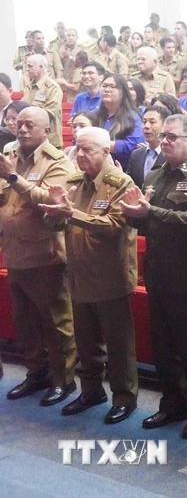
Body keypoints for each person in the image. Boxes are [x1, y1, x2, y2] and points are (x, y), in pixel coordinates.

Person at [120, 114, 187, 439]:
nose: (164, 141)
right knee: (163, 347)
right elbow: (148, 224)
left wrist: (153, 213)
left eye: (172, 137)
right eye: (162, 136)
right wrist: (134, 216)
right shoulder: (154, 175)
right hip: (159, 274)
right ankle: (172, 403)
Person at [38, 127, 139, 424]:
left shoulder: (120, 183)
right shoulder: (73, 181)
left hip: (110, 275)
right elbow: (56, 225)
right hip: (79, 273)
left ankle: (125, 397)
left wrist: (71, 214)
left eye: (88, 150)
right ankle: (91, 390)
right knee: (86, 341)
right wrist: (54, 213)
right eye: (77, 149)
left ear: (106, 151)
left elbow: (113, 226)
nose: (80, 155)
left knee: (118, 344)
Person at [1, 107, 77, 407]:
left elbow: (50, 200)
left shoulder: (56, 162)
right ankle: (36, 373)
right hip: (15, 253)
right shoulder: (10, 155)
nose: (21, 130)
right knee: (25, 321)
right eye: (18, 124)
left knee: (56, 322)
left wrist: (13, 177)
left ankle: (63, 379)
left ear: (47, 130)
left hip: (45, 255)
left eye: (29, 125)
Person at [97, 74, 146, 165]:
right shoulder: (95, 115)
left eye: (112, 87)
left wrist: (98, 144)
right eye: (104, 86)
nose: (107, 90)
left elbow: (133, 145)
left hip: (124, 168)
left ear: (123, 92)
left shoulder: (132, 117)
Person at [22, 54, 64, 149]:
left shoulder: (53, 88)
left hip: (49, 142)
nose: (27, 69)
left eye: (30, 66)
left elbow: (49, 114)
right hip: (30, 140)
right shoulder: (28, 87)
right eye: (26, 66)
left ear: (40, 67)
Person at [127, 105, 170, 189]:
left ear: (165, 126)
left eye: (152, 122)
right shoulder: (136, 155)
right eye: (144, 122)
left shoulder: (171, 155)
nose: (146, 126)